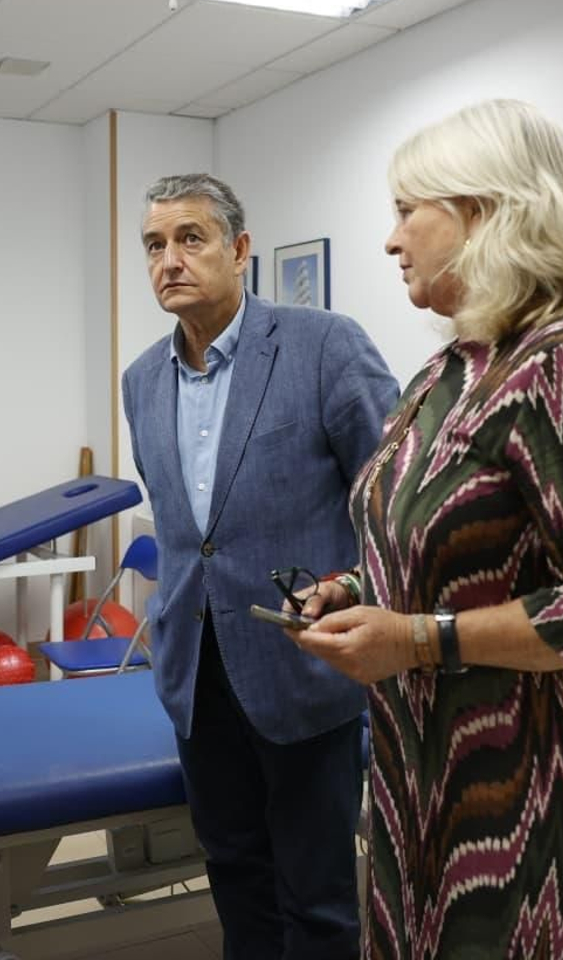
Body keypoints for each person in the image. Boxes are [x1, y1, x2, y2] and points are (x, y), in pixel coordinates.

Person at [289, 98, 563, 958]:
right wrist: (353, 590)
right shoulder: (444, 374)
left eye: (405, 211)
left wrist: (419, 639)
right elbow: (440, 546)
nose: (391, 241)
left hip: (542, 806)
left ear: (485, 211)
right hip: (423, 781)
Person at [121, 173, 400, 958]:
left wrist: (355, 590)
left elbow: (398, 496)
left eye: (190, 238)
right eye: (154, 245)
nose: (169, 259)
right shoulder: (142, 379)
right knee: (236, 875)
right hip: (197, 674)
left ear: (240, 250)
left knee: (316, 898)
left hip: (302, 666)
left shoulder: (322, 346)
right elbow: (191, 533)